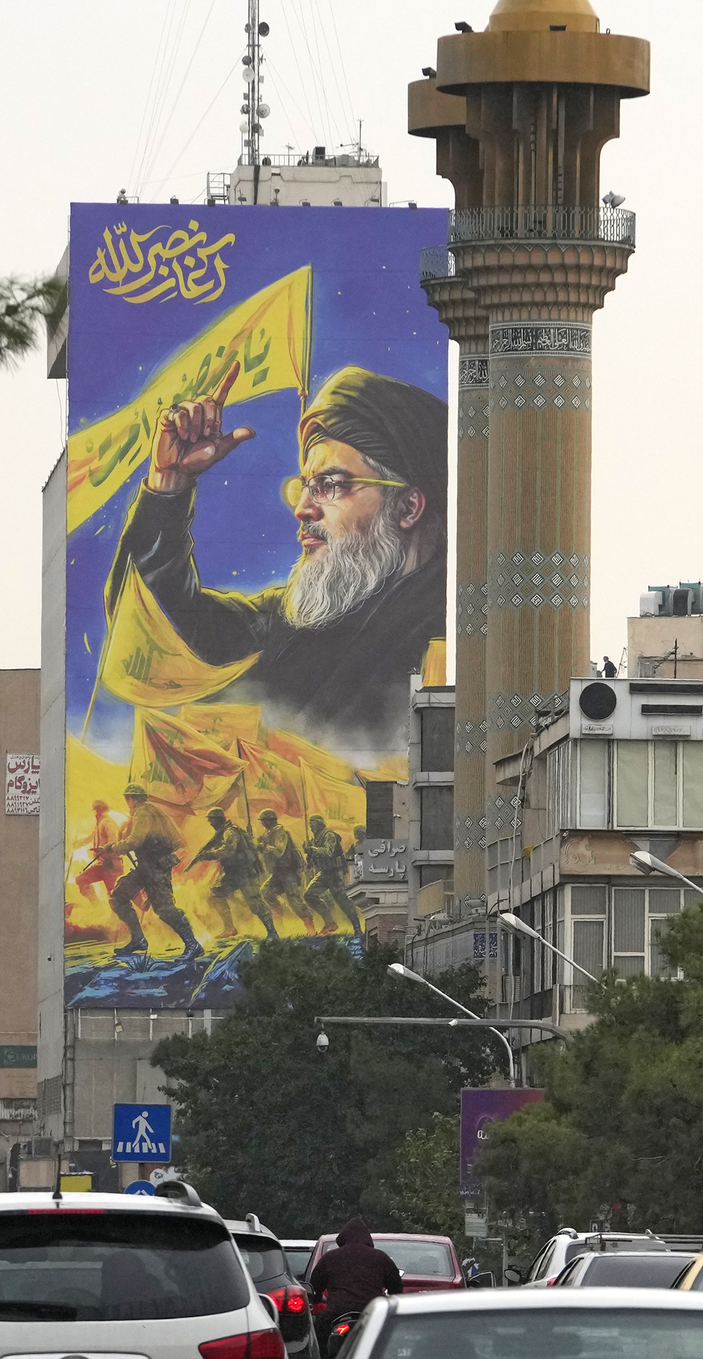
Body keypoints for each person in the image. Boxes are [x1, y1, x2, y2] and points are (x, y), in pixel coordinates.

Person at [105, 364, 449, 752]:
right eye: (304, 486)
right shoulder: (285, 624)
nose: (302, 508)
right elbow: (160, 626)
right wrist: (169, 486)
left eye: (330, 485)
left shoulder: (461, 630)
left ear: (408, 507)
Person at [111, 784, 201, 958]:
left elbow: (135, 841)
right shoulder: (144, 812)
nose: (127, 802)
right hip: (145, 866)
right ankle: (138, 940)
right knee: (119, 896)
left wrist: (114, 848)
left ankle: (193, 944)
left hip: (155, 866)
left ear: (133, 798)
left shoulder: (143, 812)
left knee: (165, 909)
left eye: (128, 798)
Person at [306, 1221, 403, 1359]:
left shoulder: (330, 1258)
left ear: (343, 1238)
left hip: (335, 1315)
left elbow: (314, 1287)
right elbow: (397, 1288)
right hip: (371, 1313)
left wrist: (318, 1298)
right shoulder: (381, 1258)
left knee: (318, 1336)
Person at [191, 805, 277, 941]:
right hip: (232, 873)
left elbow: (228, 850)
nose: (210, 823)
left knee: (255, 903)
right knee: (214, 896)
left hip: (245, 872)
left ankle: (272, 932)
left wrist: (209, 855)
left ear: (218, 820)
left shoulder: (230, 832)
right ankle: (230, 928)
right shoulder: (223, 832)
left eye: (211, 820)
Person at [301, 814, 365, 935]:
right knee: (309, 895)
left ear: (320, 823)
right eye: (310, 824)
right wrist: (309, 854)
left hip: (335, 872)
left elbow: (328, 852)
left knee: (342, 901)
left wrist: (312, 849)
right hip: (324, 873)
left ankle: (357, 928)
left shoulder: (328, 835)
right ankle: (329, 923)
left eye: (313, 823)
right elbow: (314, 858)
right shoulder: (316, 838)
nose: (311, 826)